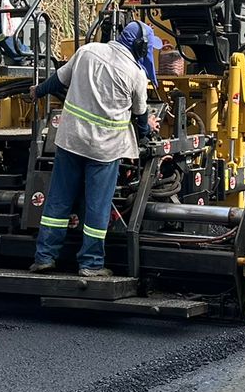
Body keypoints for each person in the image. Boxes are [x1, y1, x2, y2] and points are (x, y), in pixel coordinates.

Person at [29, 21, 158, 278]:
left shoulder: (87, 51)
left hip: (70, 141)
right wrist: (149, 130)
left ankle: (44, 257)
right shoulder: (135, 74)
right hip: (104, 150)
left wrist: (37, 91)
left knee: (58, 201)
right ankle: (91, 263)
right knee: (97, 206)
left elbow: (58, 80)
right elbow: (140, 116)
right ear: (141, 46)